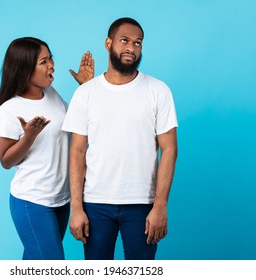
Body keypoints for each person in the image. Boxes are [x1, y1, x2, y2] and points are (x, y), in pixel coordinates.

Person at [62, 17, 178, 260]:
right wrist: (76, 208)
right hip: (95, 203)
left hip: (142, 204)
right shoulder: (85, 93)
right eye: (124, 40)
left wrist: (160, 206)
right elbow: (77, 152)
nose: (131, 48)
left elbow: (169, 149)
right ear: (108, 43)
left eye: (138, 43)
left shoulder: (158, 91)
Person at [0, 37, 94, 260]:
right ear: (25, 68)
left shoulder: (51, 94)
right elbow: (6, 161)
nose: (52, 65)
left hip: (61, 199)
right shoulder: (9, 109)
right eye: (44, 61)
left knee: (35, 264)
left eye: (51, 59)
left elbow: (76, 124)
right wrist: (29, 136)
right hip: (32, 202)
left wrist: (86, 89)